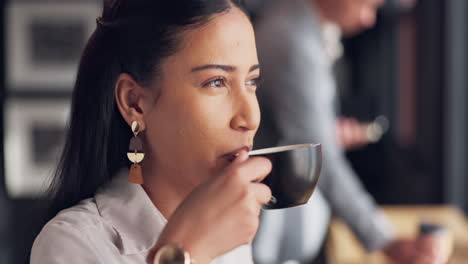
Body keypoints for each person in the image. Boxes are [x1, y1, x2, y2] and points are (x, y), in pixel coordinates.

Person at [30, 1, 273, 263]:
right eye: (216, 82)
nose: (250, 118)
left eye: (251, 82)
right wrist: (186, 251)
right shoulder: (73, 244)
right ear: (134, 102)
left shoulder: (233, 233)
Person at [253, 0, 447, 263]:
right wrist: (384, 239)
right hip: (263, 221)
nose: (369, 19)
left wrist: (327, 134)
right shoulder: (293, 39)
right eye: (368, 5)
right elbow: (320, 155)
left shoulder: (297, 25)